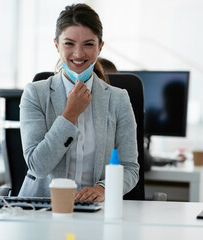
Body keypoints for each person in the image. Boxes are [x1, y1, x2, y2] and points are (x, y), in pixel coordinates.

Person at [18, 3, 139, 202]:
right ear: (56, 45)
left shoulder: (118, 99)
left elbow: (130, 168)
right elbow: (37, 166)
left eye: (89, 44)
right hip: (41, 209)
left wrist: (103, 189)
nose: (79, 53)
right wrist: (70, 115)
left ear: (100, 47)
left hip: (96, 211)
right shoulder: (35, 94)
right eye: (69, 43)